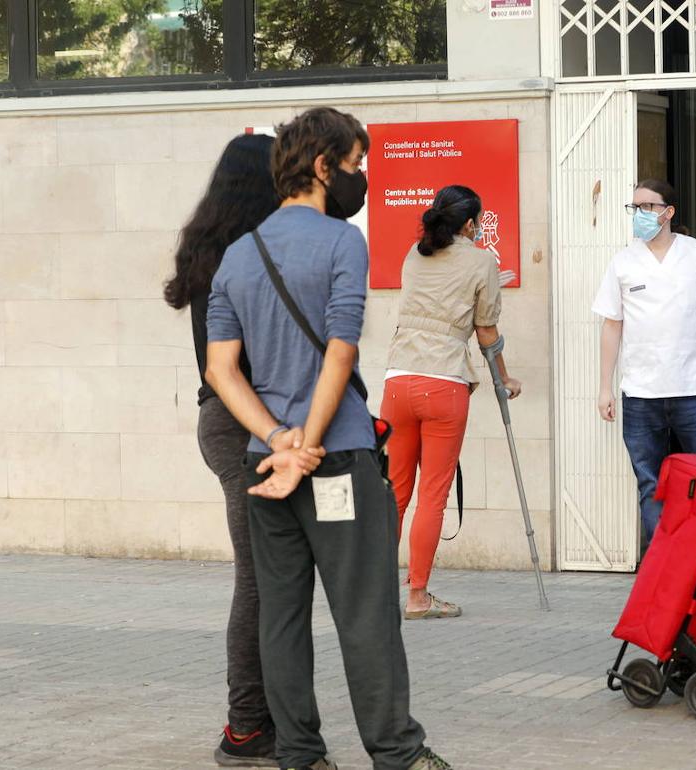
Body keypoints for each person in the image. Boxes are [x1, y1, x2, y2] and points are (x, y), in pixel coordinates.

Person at [206, 107, 448, 770]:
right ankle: (397, 752)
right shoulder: (343, 242)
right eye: (355, 166)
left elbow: (220, 370)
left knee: (280, 617)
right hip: (335, 457)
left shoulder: (238, 254)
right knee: (366, 613)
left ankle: (302, 757)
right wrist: (308, 446)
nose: (359, 179)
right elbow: (340, 353)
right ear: (322, 167)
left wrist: (279, 442)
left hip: (265, 465)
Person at [164, 133, 280, 767]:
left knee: (268, 579)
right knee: (259, 581)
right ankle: (245, 727)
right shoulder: (244, 254)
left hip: (232, 423)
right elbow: (227, 368)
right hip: (241, 427)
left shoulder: (213, 244)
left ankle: (266, 716)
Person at [382, 185, 520, 619]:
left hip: (397, 380)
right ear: (469, 223)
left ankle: (374, 592)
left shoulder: (414, 252)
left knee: (395, 493)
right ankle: (418, 596)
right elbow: (486, 333)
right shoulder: (482, 261)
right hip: (443, 383)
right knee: (433, 494)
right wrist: (504, 378)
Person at [594, 179, 696, 549]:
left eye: (647, 206)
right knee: (650, 484)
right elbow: (612, 325)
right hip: (641, 393)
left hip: (694, 387)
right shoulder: (623, 261)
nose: (639, 214)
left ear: (668, 212)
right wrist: (604, 386)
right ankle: (662, 564)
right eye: (634, 207)